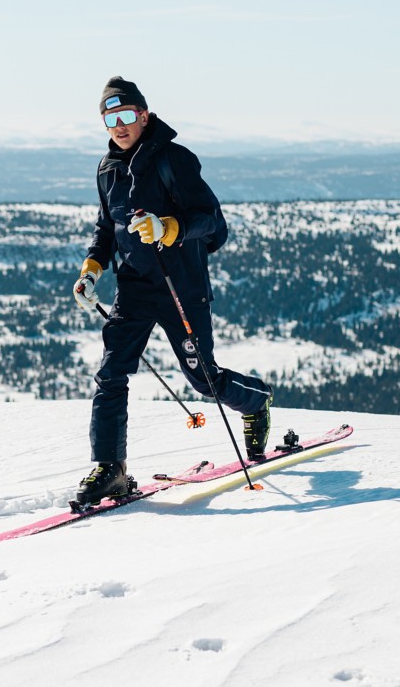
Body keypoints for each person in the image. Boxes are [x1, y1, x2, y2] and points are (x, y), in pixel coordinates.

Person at [71, 76, 273, 506]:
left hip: (182, 287)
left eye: (127, 115)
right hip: (134, 290)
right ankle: (111, 468)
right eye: (111, 117)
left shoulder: (174, 160)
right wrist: (91, 271)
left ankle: (255, 403)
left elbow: (213, 221)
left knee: (203, 378)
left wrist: (170, 228)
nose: (120, 125)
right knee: (111, 374)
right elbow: (107, 229)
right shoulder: (108, 170)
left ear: (144, 115)